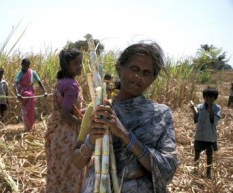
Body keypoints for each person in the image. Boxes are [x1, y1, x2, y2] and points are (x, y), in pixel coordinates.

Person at [72, 41, 179, 192]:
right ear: (120, 68)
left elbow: (167, 168)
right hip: (99, 187)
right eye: (134, 68)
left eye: (146, 73)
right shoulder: (98, 108)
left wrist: (124, 134)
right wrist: (91, 140)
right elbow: (77, 162)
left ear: (153, 79)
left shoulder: (160, 114)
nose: (138, 76)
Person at [45, 48, 85, 193]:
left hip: (57, 132)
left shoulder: (62, 82)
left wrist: (86, 113)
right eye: (76, 63)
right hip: (67, 134)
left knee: (57, 170)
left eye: (81, 63)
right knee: (70, 170)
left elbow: (68, 109)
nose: (80, 66)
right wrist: (82, 123)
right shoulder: (72, 85)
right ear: (66, 65)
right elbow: (65, 115)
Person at [190, 87, 221, 179]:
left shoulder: (217, 108)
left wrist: (210, 108)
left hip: (210, 136)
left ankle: (208, 172)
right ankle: (195, 170)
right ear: (204, 97)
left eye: (211, 98)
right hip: (199, 135)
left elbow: (212, 120)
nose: (208, 99)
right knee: (197, 153)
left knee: (209, 155)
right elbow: (196, 120)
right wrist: (193, 110)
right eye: (207, 97)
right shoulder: (199, 107)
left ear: (215, 98)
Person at [14, 58, 47, 132]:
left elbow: (39, 82)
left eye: (28, 66)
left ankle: (29, 127)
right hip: (23, 91)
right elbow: (16, 84)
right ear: (21, 65)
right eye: (25, 66)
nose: (26, 68)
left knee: (30, 109)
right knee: (30, 97)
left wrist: (45, 91)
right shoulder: (20, 74)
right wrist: (17, 93)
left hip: (31, 91)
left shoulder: (32, 72)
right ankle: (28, 126)